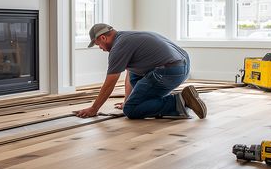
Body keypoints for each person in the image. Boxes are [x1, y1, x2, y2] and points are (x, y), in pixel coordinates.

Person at [74, 23, 207, 120]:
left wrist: (94, 109)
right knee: (134, 78)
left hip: (169, 71)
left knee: (131, 110)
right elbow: (131, 72)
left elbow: (110, 83)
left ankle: (181, 101)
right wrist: (128, 99)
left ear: (103, 38)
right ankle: (146, 102)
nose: (101, 48)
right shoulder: (127, 37)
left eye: (98, 45)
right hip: (181, 66)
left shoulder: (118, 48)